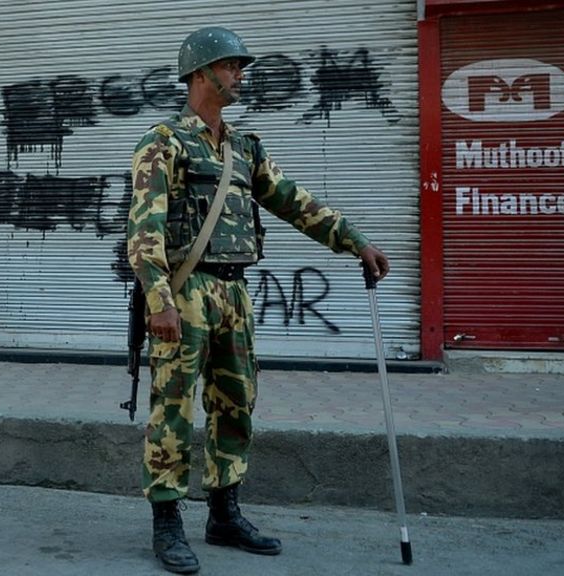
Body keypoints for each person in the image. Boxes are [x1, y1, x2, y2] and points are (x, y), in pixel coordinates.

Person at [126, 26, 390, 574]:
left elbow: (294, 202)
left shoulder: (244, 148)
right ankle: (167, 522)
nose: (240, 75)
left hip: (235, 292)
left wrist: (355, 241)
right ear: (201, 73)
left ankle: (224, 514)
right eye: (231, 66)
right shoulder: (164, 142)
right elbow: (144, 230)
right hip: (186, 291)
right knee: (173, 407)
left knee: (236, 403)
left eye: (241, 67)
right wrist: (159, 300)